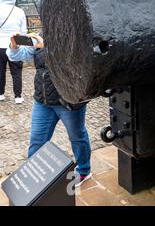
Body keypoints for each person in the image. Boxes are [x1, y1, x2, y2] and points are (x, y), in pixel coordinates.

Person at [7, 32, 92, 186]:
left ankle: (84, 170)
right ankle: (32, 174)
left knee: (77, 136)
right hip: (43, 101)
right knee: (37, 140)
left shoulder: (75, 32)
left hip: (68, 101)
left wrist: (48, 48)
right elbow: (18, 56)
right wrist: (14, 47)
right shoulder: (42, 34)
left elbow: (76, 63)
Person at [0, 0, 27, 104]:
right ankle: (18, 96)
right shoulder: (19, 11)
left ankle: (0, 94)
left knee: (0, 71)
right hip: (15, 45)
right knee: (16, 72)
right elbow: (23, 31)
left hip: (0, 45)